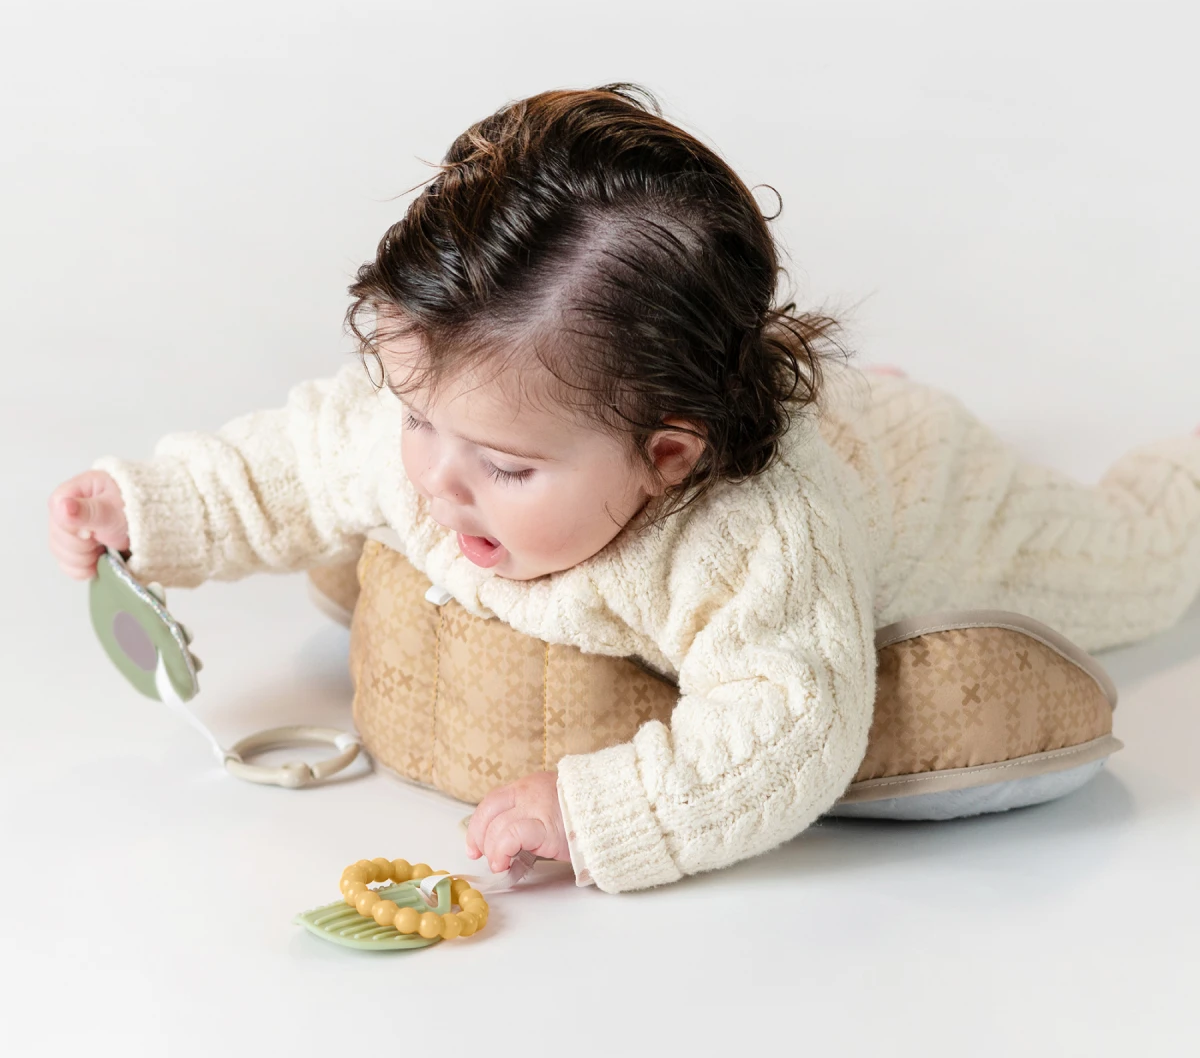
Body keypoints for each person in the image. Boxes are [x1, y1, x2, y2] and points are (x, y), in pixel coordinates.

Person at [47, 83, 1200, 894]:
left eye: (506, 468)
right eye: (418, 420)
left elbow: (783, 724)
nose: (436, 478)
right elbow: (295, 457)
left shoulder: (747, 538)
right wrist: (145, 507)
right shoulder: (447, 421)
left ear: (667, 459)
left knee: (1141, 562)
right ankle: (841, 393)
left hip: (933, 488)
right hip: (775, 418)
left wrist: (590, 811)